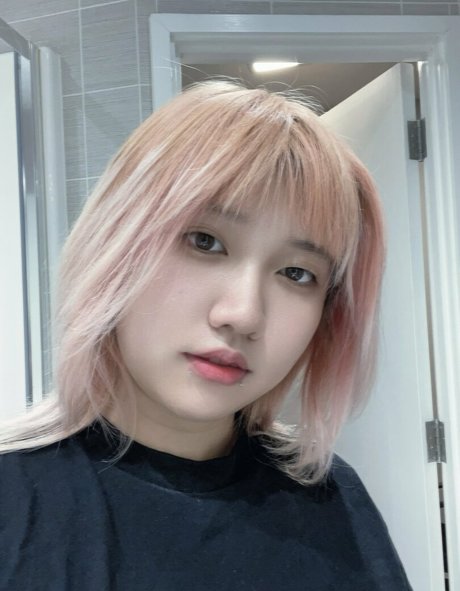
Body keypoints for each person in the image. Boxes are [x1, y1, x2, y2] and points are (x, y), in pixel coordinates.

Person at [0, 80, 412, 590]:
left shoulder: (335, 500)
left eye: (297, 273)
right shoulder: (16, 502)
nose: (243, 315)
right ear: (114, 242)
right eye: (205, 241)